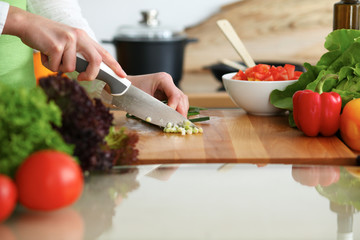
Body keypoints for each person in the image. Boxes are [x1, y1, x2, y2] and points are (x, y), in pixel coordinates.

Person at [0, 0, 189, 116]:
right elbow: (25, 21)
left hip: (17, 107)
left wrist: (117, 82)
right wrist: (17, 21)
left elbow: (52, 6)